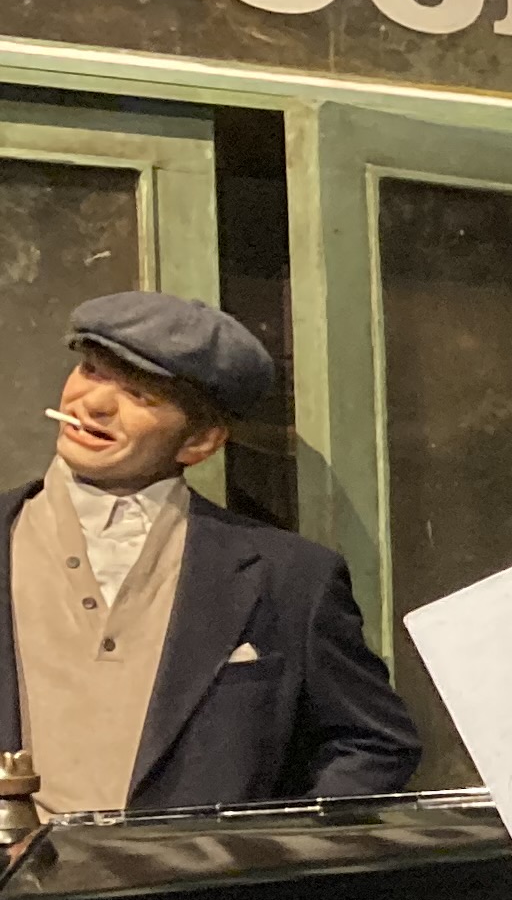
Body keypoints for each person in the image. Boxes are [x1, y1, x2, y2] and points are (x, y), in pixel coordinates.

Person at [1, 293, 417, 818]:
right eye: (92, 370)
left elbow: (372, 744)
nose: (95, 403)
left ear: (198, 441)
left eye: (140, 394)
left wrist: (276, 852)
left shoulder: (290, 578)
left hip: (199, 872)